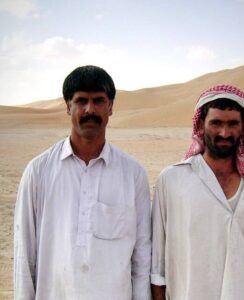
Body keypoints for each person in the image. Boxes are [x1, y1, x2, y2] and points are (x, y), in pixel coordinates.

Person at [14, 65, 151, 299]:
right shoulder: (38, 171)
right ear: (68, 106)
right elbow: (24, 255)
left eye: (98, 100)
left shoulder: (133, 174)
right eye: (81, 101)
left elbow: (142, 257)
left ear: (110, 107)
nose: (90, 109)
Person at [151, 84, 244, 300]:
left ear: (243, 128)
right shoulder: (173, 180)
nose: (224, 132)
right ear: (201, 126)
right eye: (216, 123)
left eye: (233, 123)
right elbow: (157, 267)